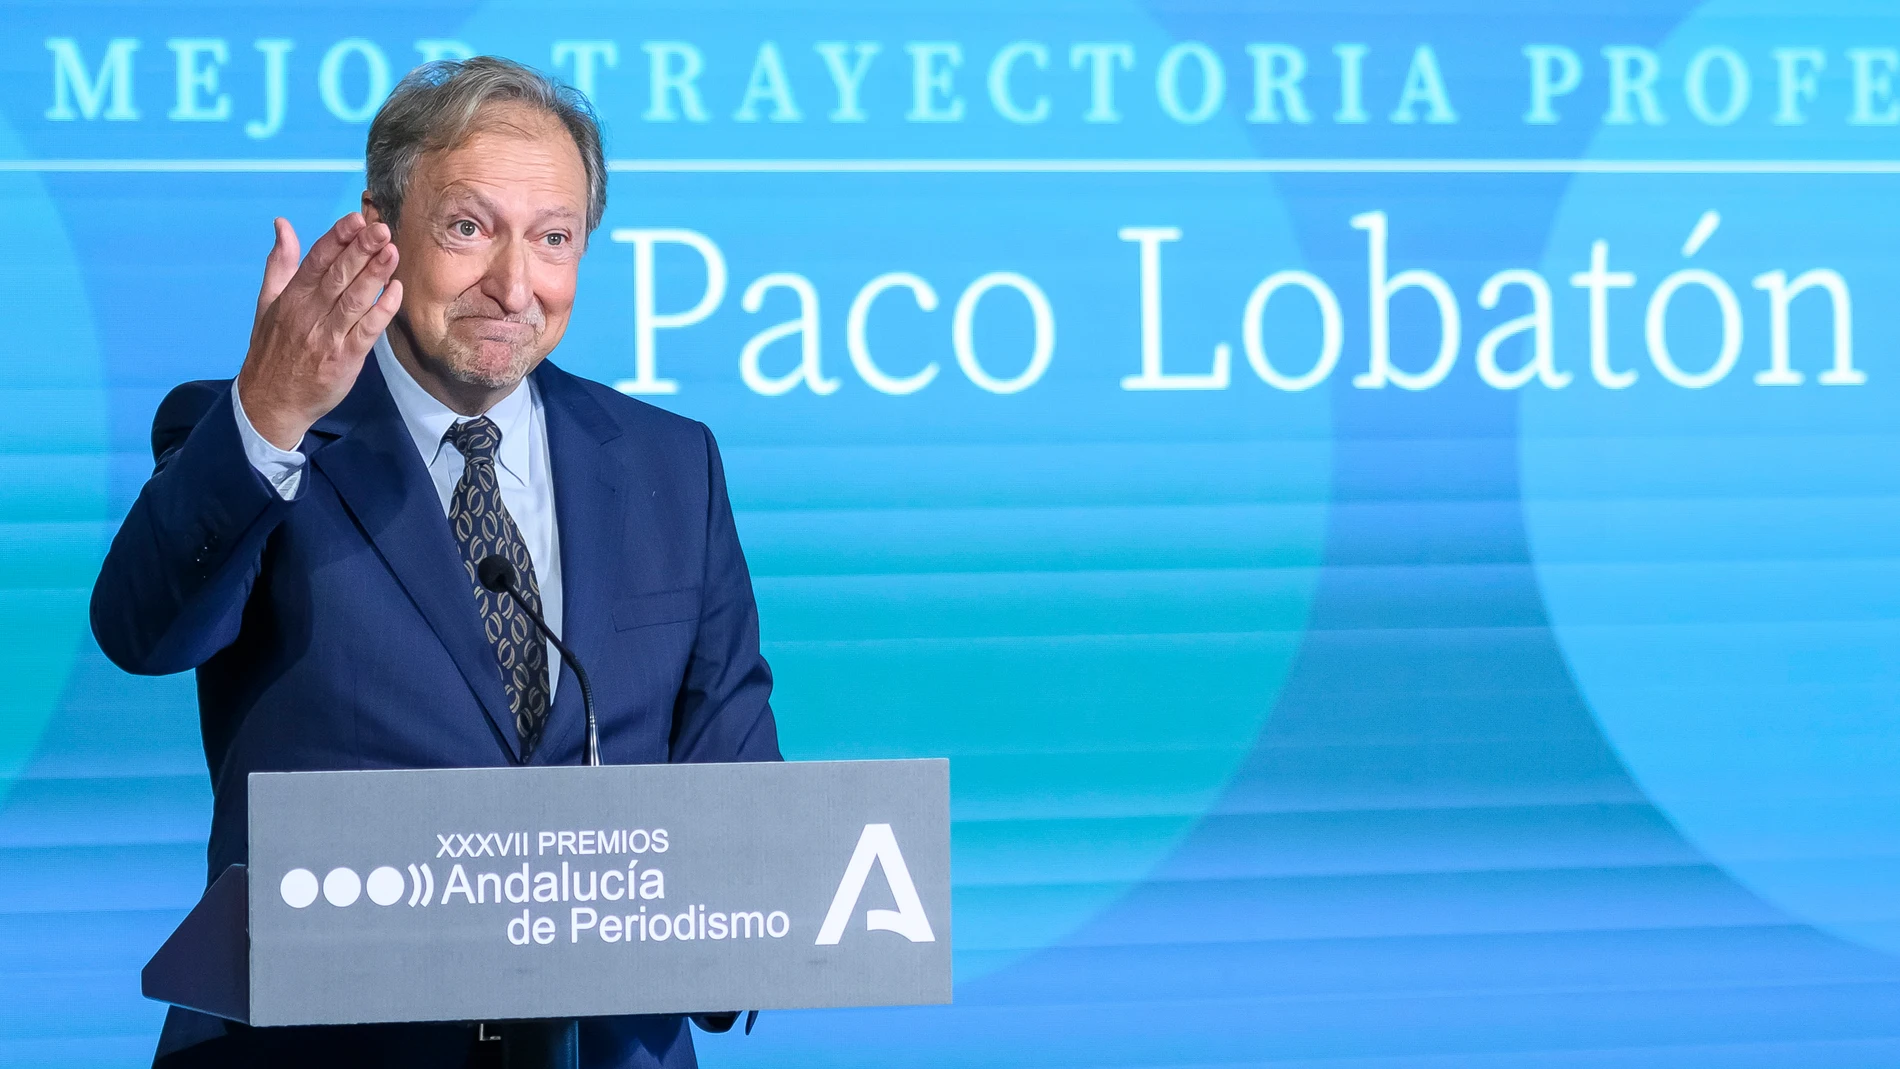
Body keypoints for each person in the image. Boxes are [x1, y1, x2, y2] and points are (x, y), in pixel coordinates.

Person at [89, 56, 780, 1068]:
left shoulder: (673, 466)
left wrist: (747, 937)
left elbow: (735, 787)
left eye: (554, 239)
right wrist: (271, 410)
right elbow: (143, 632)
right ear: (381, 227)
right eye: (469, 228)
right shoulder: (257, 430)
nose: (514, 284)